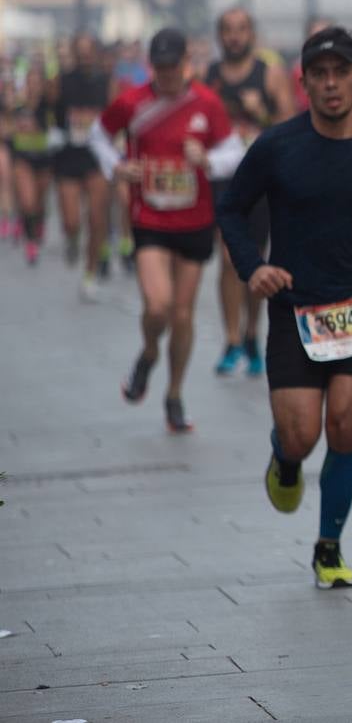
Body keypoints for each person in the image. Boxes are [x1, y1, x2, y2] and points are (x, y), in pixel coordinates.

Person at [218, 27, 352, 589]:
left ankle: (328, 547)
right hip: (293, 304)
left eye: (341, 75)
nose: (331, 85)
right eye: (319, 75)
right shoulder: (278, 146)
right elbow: (231, 209)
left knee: (344, 428)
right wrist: (252, 267)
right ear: (304, 82)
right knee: (301, 436)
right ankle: (283, 459)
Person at [88, 29, 243, 432]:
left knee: (182, 313)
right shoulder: (133, 102)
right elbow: (98, 135)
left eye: (173, 68)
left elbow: (234, 151)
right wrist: (117, 167)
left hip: (194, 220)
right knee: (158, 306)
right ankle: (149, 353)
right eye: (159, 69)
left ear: (185, 63)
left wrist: (207, 159)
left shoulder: (206, 103)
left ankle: (174, 394)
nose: (167, 76)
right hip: (150, 219)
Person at [204, 7, 297, 379]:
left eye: (241, 29)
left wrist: (261, 114)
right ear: (219, 35)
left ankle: (252, 334)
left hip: (261, 180)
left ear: (251, 33)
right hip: (223, 181)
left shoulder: (269, 74)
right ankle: (230, 339)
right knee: (227, 260)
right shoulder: (210, 77)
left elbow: (289, 127)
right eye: (228, 30)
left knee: (255, 261)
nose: (234, 37)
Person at [54, 34, 115, 300]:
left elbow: (115, 116)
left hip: (96, 157)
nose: (86, 56)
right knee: (71, 221)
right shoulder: (62, 80)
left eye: (90, 51)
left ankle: (90, 274)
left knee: (97, 217)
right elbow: (52, 110)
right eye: (81, 51)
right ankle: (71, 239)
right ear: (75, 54)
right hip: (69, 155)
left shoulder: (107, 82)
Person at [8, 68, 57, 265]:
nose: (34, 86)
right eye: (31, 82)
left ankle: (39, 223)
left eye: (38, 82)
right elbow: (8, 131)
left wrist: (38, 130)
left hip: (44, 161)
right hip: (23, 159)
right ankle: (30, 243)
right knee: (27, 201)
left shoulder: (48, 108)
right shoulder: (18, 108)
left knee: (39, 202)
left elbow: (55, 133)